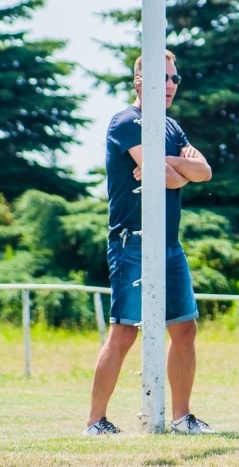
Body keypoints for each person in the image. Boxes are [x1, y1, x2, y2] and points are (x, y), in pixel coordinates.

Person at [84, 50, 215, 436]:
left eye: (175, 78)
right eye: (164, 77)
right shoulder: (126, 122)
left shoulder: (172, 128)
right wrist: (174, 169)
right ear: (140, 81)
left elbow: (203, 171)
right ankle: (95, 422)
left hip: (169, 244)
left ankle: (182, 418)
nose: (171, 84)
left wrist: (170, 167)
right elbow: (158, 171)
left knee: (185, 329)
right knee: (124, 331)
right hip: (132, 242)